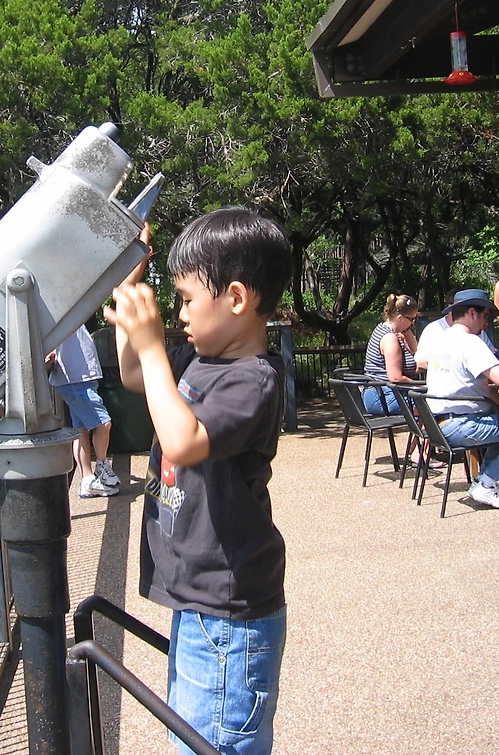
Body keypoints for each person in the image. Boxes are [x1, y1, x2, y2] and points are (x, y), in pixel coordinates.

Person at [107, 207, 293, 755]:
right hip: (200, 603)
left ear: (236, 298)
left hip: (229, 615)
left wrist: (150, 341)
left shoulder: (252, 380)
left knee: (210, 743)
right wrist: (127, 288)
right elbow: (137, 375)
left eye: (187, 299)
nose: (181, 312)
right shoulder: (199, 358)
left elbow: (185, 440)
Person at [422, 288, 499, 510]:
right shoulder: (470, 342)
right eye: (485, 316)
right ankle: (488, 484)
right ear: (472, 313)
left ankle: (486, 480)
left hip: (439, 423)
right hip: (462, 423)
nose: (486, 323)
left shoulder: (442, 340)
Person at [49, 324, 120, 498]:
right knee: (103, 423)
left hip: (79, 376)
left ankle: (87, 480)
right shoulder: (56, 307)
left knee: (81, 430)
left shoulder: (70, 306)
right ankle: (102, 466)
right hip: (74, 377)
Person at [361, 293, 420, 414]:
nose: (413, 323)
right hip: (383, 396)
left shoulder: (387, 329)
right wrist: (418, 386)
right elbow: (395, 377)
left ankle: (421, 432)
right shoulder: (390, 338)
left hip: (387, 393)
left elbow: (417, 352)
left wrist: (406, 329)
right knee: (435, 404)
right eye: (412, 319)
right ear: (400, 318)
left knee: (432, 402)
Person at [417, 289, 498, 368]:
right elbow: (420, 363)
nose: (486, 323)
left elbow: (492, 355)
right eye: (485, 316)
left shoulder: (479, 332)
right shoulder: (433, 329)